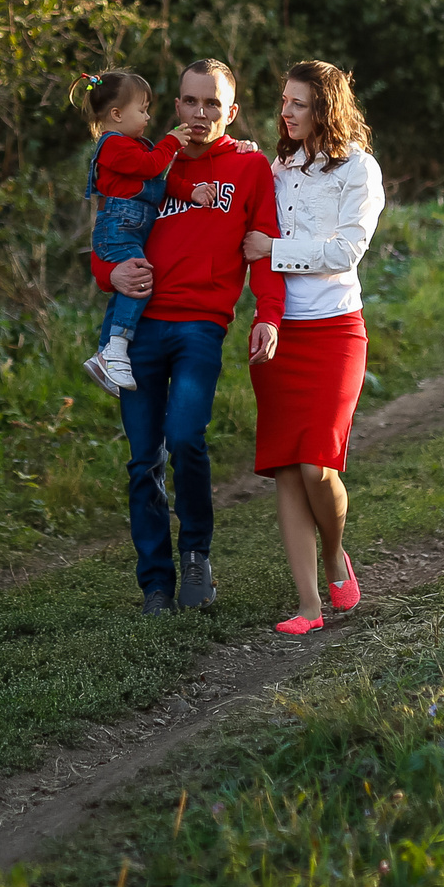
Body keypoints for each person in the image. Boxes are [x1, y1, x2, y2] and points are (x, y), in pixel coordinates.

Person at [97, 59, 283, 616]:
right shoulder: (144, 160)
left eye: (212, 103)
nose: (200, 113)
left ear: (232, 110)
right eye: (189, 102)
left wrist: (267, 315)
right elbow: (109, 236)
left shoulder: (250, 168)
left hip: (202, 325)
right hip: (139, 328)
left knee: (185, 438)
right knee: (143, 459)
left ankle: (197, 556)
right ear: (175, 107)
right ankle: (156, 582)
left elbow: (265, 248)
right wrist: (109, 275)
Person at [243, 60, 383, 635]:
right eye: (283, 101)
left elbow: (346, 251)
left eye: (298, 103)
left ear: (324, 107)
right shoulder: (279, 168)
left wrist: (272, 249)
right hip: (281, 334)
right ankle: (308, 605)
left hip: (334, 331)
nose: (286, 112)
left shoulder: (360, 171)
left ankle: (334, 555)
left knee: (316, 464)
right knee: (285, 470)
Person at [76, 71, 211, 394]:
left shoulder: (135, 145)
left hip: (129, 228)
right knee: (139, 282)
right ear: (117, 114)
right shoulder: (112, 146)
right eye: (143, 109)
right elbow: (150, 166)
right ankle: (117, 348)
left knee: (130, 287)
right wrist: (170, 142)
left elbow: (159, 181)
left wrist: (190, 192)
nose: (148, 117)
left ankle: (104, 354)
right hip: (117, 228)